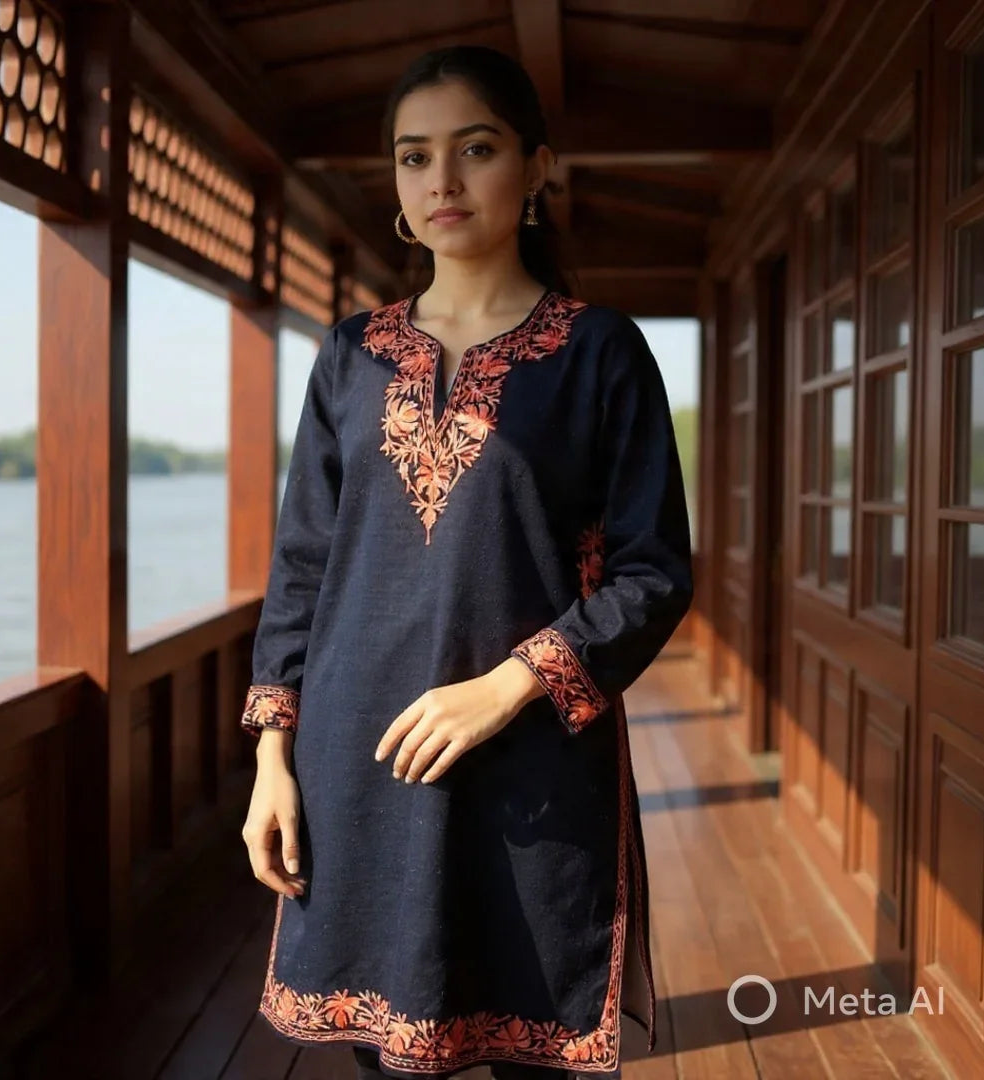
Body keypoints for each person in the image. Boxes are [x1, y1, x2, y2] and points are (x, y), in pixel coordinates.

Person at [239, 43, 693, 1080]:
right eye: (413, 157)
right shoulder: (350, 357)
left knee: (538, 1041)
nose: (440, 180)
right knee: (386, 1058)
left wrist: (506, 686)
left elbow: (653, 571)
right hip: (359, 772)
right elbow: (302, 569)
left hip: (534, 771)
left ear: (536, 166)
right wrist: (272, 761)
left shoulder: (599, 351)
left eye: (474, 148)